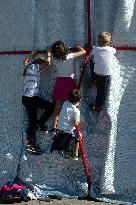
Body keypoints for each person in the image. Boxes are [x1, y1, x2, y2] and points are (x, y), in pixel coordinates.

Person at [48, 41, 86, 133]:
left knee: (57, 107)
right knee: (71, 106)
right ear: (64, 49)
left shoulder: (55, 59)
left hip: (59, 82)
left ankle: (54, 127)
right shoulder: (70, 56)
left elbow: (49, 50)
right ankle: (69, 127)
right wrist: (72, 47)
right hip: (69, 82)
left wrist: (50, 53)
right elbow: (83, 51)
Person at [22, 51, 54, 154]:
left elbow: (25, 61)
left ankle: (32, 142)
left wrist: (31, 54)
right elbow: (48, 63)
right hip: (32, 98)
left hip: (27, 98)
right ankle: (38, 126)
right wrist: (49, 54)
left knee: (32, 121)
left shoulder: (28, 67)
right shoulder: (35, 67)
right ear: (39, 62)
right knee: (50, 107)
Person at [50, 89, 82, 160]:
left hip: (59, 130)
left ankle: (64, 149)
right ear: (77, 101)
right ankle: (75, 153)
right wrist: (78, 120)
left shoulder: (65, 103)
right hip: (68, 133)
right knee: (79, 136)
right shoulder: (76, 111)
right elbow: (75, 124)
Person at [90, 32, 116, 112]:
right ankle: (98, 106)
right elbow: (115, 50)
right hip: (106, 74)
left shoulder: (95, 48)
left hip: (97, 73)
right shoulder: (112, 50)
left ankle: (93, 79)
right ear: (109, 42)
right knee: (101, 90)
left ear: (98, 41)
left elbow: (90, 54)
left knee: (92, 63)